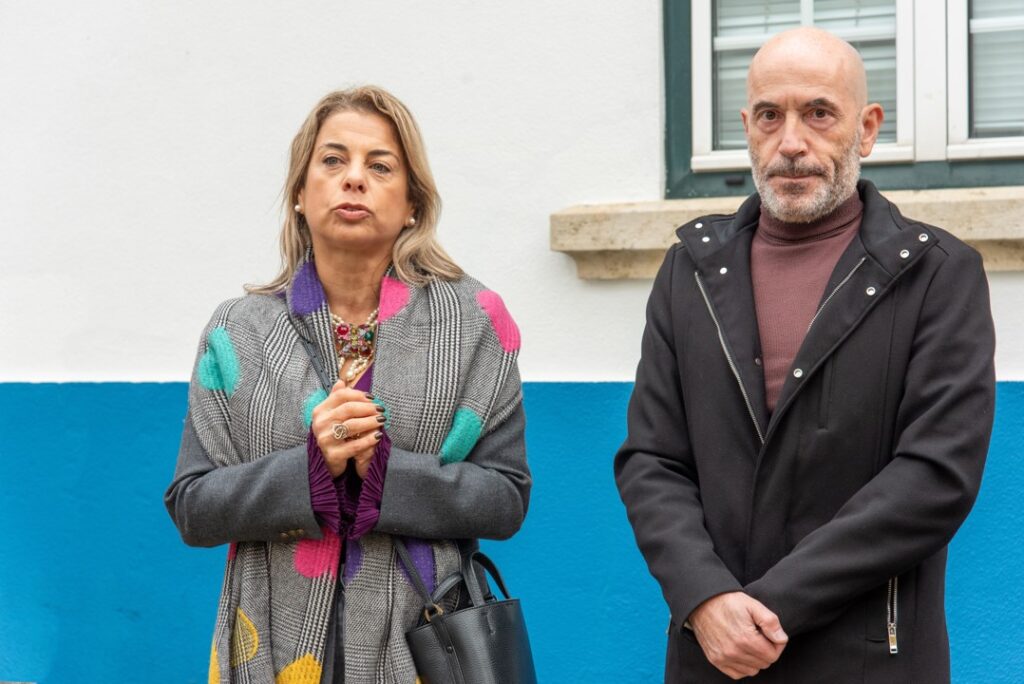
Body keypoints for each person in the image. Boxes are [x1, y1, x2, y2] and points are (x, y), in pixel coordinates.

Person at [614, 27, 994, 683]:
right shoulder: (689, 271)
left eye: (819, 113)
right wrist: (704, 597)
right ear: (747, 129)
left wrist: (768, 608)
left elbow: (934, 478)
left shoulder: (936, 274)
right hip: (713, 655)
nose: (791, 142)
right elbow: (652, 459)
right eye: (770, 116)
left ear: (866, 129)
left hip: (869, 659)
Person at [164, 86, 530, 684]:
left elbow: (506, 498)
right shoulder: (238, 331)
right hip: (270, 648)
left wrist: (385, 474)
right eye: (333, 160)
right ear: (300, 193)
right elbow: (193, 506)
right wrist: (311, 469)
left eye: (380, 166)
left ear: (412, 204)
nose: (354, 178)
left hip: (425, 647)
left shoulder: (474, 324)